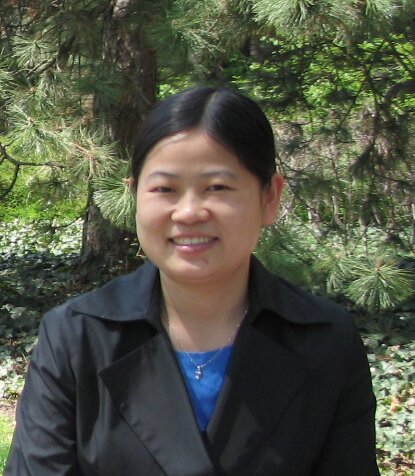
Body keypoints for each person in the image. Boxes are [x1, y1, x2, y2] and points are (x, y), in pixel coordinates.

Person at [5, 86, 380, 475]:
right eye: (165, 189)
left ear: (269, 197)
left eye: (217, 188)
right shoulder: (77, 337)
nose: (188, 212)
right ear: (134, 196)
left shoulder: (325, 340)